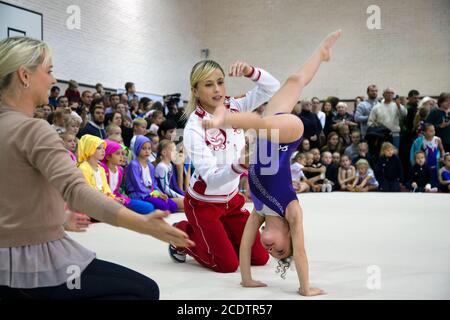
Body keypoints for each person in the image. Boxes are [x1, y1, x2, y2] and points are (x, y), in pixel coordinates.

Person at [0, 36, 192, 300]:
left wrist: (60, 219)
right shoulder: (32, 129)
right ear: (24, 75)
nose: (54, 80)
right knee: (144, 292)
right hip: (32, 267)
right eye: (49, 71)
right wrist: (142, 224)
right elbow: (76, 189)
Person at [202, 29, 342, 295]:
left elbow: (245, 245)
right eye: (280, 250)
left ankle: (321, 53)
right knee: (264, 125)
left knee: (294, 80)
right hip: (286, 136)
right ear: (288, 235)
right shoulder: (291, 211)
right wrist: (305, 288)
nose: (270, 249)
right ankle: (225, 117)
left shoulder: (259, 210)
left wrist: (247, 278)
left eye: (272, 253)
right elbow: (300, 251)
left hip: (269, 131)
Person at [100, 139, 156, 214]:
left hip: (117, 198)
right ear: (108, 157)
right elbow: (102, 191)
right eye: (117, 154)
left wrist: (123, 199)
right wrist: (114, 199)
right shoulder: (103, 169)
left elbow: (116, 191)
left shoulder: (120, 170)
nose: (121, 157)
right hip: (106, 200)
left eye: (122, 154)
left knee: (149, 207)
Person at [125, 135, 178, 213]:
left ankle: (154, 205)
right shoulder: (134, 165)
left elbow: (154, 184)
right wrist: (153, 194)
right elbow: (138, 186)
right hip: (139, 194)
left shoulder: (150, 166)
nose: (147, 151)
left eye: (149, 148)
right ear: (137, 148)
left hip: (152, 193)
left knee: (173, 206)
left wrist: (160, 193)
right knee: (164, 206)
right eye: (143, 148)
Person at [154, 139, 185, 211]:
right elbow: (165, 189)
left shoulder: (170, 165)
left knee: (190, 202)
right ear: (164, 152)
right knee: (188, 203)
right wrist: (182, 197)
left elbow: (174, 185)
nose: (176, 153)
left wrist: (183, 194)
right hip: (164, 196)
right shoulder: (162, 167)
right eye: (173, 151)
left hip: (171, 196)